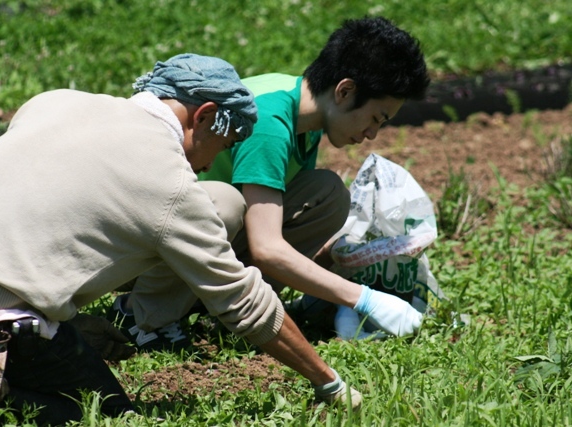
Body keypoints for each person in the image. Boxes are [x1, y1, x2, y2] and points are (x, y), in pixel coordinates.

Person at [0, 54, 361, 426]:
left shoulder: (53, 101)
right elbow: (243, 301)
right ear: (206, 116)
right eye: (223, 143)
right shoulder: (168, 180)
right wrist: (330, 382)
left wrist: (70, 324)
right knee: (102, 411)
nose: (211, 161)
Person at [115, 17, 430, 347]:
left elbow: (271, 222)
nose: (371, 134)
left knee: (327, 195)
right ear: (345, 91)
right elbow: (266, 249)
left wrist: (341, 257)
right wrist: (363, 298)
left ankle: (220, 308)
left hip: (183, 235)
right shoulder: (269, 122)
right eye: (376, 118)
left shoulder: (301, 112)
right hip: (142, 247)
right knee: (225, 204)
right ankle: (140, 314)